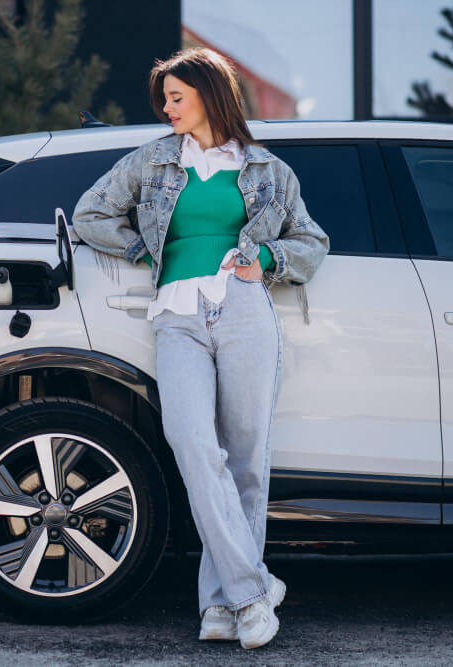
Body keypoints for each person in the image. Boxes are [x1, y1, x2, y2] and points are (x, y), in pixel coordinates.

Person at [71, 47, 329, 649]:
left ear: (211, 96)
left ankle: (218, 606)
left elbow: (311, 242)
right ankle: (252, 590)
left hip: (242, 309)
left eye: (176, 97)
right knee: (191, 443)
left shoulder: (267, 171)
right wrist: (142, 249)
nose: (166, 109)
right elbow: (91, 214)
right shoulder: (153, 161)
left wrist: (264, 259)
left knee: (245, 459)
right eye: (164, 98)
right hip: (176, 314)